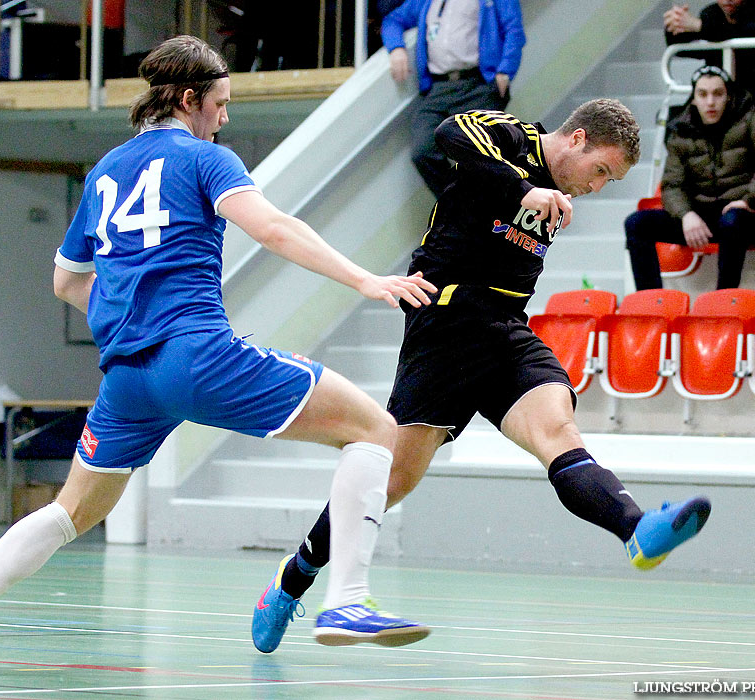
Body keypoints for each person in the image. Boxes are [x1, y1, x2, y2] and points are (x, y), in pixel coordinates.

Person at [0, 35, 438, 669]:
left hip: (129, 378)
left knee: (70, 512)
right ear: (190, 100)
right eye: (220, 104)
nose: (225, 117)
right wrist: (365, 279)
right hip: (199, 357)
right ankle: (346, 599)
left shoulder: (106, 168)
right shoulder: (202, 159)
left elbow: (66, 281)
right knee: (376, 434)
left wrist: (125, 317)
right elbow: (272, 227)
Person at [251, 99, 713, 654]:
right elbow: (448, 135)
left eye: (609, 180)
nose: (596, 186)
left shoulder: (560, 198)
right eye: (600, 171)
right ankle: (289, 582)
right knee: (391, 481)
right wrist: (524, 191)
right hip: (445, 322)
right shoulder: (512, 137)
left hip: (506, 331)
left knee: (558, 433)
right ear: (578, 139)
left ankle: (636, 529)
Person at [624, 65, 755, 291]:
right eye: (703, 94)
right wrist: (686, 215)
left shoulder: (754, 117)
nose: (710, 102)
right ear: (693, 99)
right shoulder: (681, 130)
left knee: (732, 221)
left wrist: (749, 199)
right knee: (637, 224)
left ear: (729, 95)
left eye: (717, 94)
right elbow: (672, 184)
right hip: (704, 216)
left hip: (751, 213)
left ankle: (723, 298)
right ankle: (651, 301)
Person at [380, 0, 525, 197]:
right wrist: (396, 48)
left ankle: (487, 215)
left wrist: (505, 71)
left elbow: (514, 30)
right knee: (423, 152)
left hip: (477, 85)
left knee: (480, 157)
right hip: (438, 87)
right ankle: (461, 209)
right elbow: (392, 20)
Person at [664, 0, 755, 129]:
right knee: (674, 123)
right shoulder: (711, 13)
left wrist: (698, 25)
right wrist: (675, 26)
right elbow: (690, 49)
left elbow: (742, 39)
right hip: (723, 102)